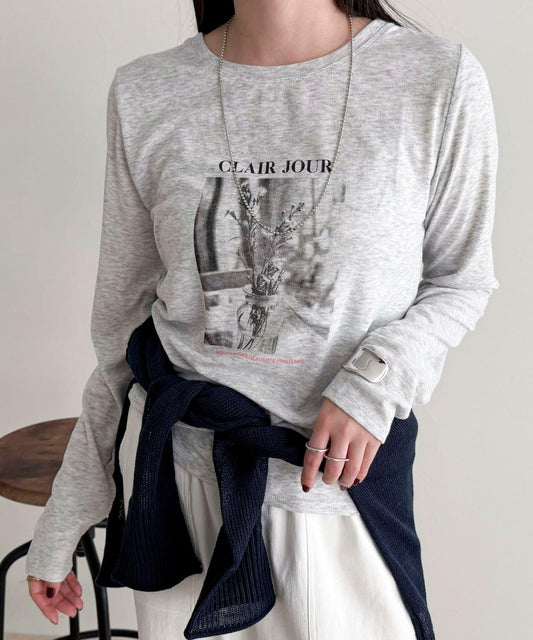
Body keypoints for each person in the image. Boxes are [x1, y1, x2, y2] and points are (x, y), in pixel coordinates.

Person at [25, 0, 499, 638]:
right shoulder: (145, 91)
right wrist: (69, 509)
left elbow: (460, 278)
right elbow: (121, 336)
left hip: (342, 498)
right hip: (184, 499)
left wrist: (373, 382)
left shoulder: (437, 78)